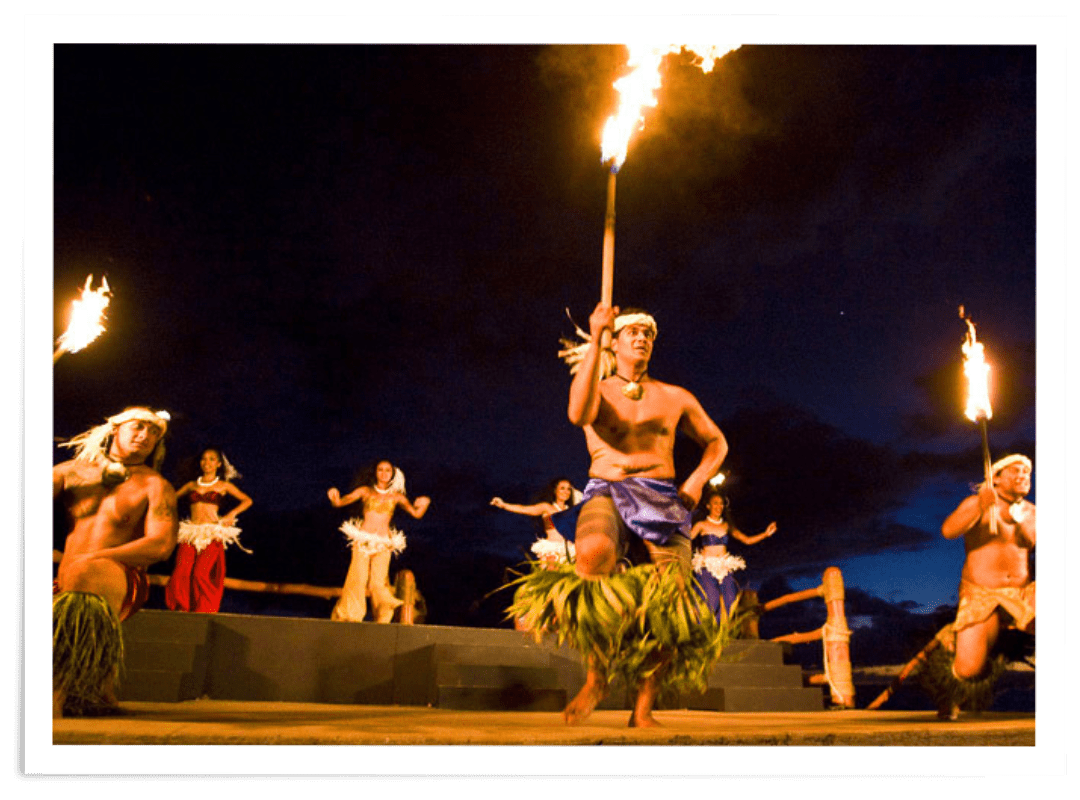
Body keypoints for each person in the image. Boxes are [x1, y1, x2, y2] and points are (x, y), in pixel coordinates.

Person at [511, 304, 728, 727]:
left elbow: (717, 443)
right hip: (606, 490)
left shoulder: (676, 396)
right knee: (592, 554)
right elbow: (577, 414)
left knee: (674, 602)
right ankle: (597, 678)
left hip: (665, 498)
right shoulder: (596, 388)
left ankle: (644, 707)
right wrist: (595, 338)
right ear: (614, 340)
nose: (643, 337)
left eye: (649, 332)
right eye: (633, 331)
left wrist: (698, 480)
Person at [52, 407, 178, 717]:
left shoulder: (155, 485)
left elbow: (161, 545)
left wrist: (96, 557)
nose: (145, 436)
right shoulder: (70, 472)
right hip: (64, 576)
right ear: (114, 430)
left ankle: (55, 692)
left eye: (153, 433)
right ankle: (99, 690)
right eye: (138, 427)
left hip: (121, 577)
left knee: (85, 571)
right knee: (76, 574)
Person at [931, 453, 1035, 719]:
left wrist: (1024, 520)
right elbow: (948, 531)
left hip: (1022, 593)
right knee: (969, 669)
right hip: (982, 594)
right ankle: (952, 650)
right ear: (996, 478)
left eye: (1027, 472)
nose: (1023, 475)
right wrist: (980, 506)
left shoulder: (1032, 511)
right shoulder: (975, 502)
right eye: (1016, 471)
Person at [327, 460, 430, 623]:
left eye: (387, 470)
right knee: (358, 577)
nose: (383, 473)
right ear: (375, 472)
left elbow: (416, 514)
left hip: (383, 542)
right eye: (380, 470)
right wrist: (334, 498)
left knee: (379, 582)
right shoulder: (365, 491)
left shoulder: (396, 496)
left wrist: (424, 505)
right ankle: (350, 616)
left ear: (392, 474)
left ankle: (383, 616)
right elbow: (341, 502)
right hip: (363, 540)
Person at [164, 448, 254, 613]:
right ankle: (181, 608)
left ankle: (204, 610)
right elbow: (170, 499)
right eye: (204, 459)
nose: (207, 463)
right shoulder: (192, 485)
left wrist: (231, 514)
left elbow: (247, 500)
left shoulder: (223, 485)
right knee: (182, 570)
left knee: (201, 573)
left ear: (219, 464)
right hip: (191, 532)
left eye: (212, 459)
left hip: (211, 532)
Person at [689, 491, 777, 621]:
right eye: (715, 503)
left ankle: (719, 630)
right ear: (708, 506)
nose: (719, 506)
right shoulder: (701, 525)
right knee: (712, 600)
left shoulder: (727, 525)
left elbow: (746, 540)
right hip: (706, 566)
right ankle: (701, 628)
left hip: (724, 566)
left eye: (721, 504)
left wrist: (766, 534)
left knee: (730, 598)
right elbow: (686, 539)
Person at [491, 477, 579, 564]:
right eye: (562, 488)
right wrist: (504, 505)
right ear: (555, 490)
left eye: (568, 489)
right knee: (551, 575)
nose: (566, 492)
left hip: (569, 551)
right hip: (552, 550)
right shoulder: (547, 507)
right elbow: (523, 509)